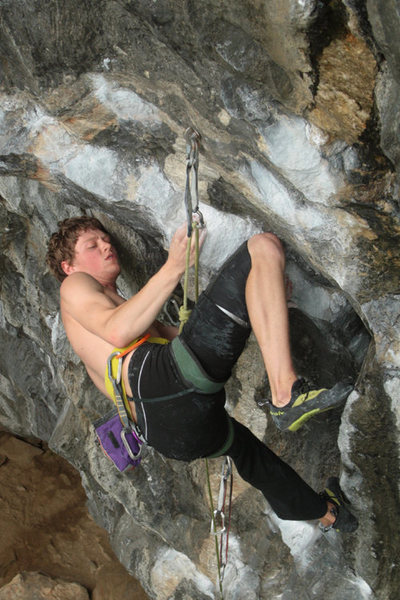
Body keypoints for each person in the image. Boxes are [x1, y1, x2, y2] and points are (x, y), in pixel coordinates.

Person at [47, 215, 358, 532]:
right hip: (162, 382)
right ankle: (286, 395)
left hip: (171, 433)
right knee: (263, 247)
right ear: (68, 266)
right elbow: (117, 331)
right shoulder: (74, 286)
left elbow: (197, 334)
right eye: (92, 244)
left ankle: (327, 513)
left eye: (106, 239)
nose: (106, 244)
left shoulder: (116, 308)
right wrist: (174, 266)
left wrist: (265, 290)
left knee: (246, 450)